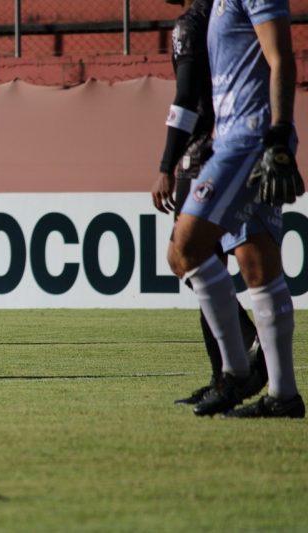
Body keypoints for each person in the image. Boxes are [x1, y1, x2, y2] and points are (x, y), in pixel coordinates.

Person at [167, 0, 305, 417]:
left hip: (248, 141)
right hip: (233, 139)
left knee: (184, 250)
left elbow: (281, 57)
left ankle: (235, 372)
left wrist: (278, 135)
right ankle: (283, 395)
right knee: (259, 267)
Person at [152, 0, 266, 405]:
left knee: (192, 259)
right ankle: (224, 374)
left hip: (200, 155)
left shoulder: (193, 21)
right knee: (203, 263)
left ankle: (238, 363)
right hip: (228, 146)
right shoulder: (217, 17)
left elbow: (185, 98)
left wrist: (167, 164)